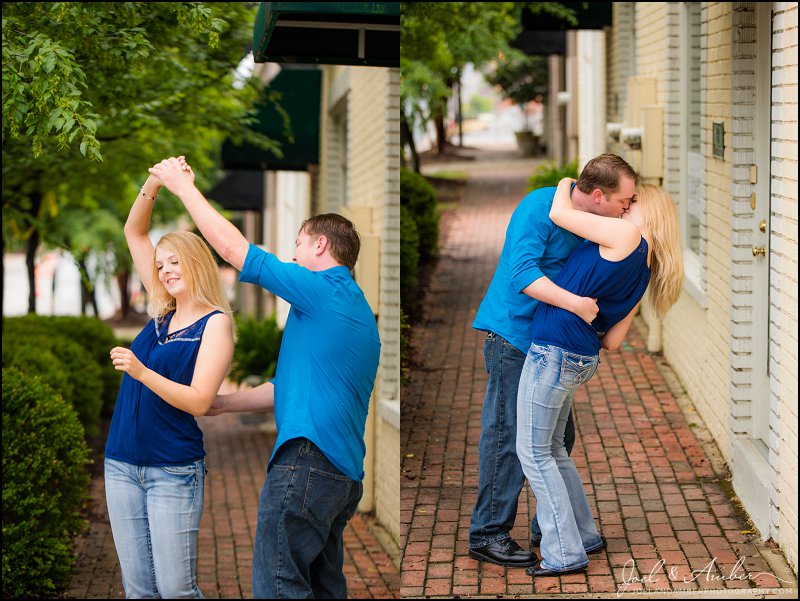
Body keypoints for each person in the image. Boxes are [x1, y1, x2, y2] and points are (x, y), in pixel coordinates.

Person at [148, 156, 381, 599]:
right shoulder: (349, 312)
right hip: (342, 475)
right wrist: (222, 403)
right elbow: (285, 387)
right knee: (322, 588)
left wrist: (183, 188)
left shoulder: (323, 289)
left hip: (307, 462)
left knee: (277, 586)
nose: (291, 254)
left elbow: (238, 252)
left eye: (297, 244)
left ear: (319, 247)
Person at [469, 154, 639, 567]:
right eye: (624, 201)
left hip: (551, 346)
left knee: (558, 442)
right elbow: (522, 274)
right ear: (598, 195)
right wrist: (578, 306)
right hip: (515, 339)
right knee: (510, 437)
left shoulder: (588, 220)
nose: (627, 209)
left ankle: (554, 528)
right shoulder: (539, 207)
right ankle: (489, 533)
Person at [518, 178, 683, 576]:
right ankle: (584, 534)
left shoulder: (626, 234)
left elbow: (559, 212)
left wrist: (565, 181)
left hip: (554, 351)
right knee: (553, 449)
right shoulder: (644, 270)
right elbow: (612, 341)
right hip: (579, 356)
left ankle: (565, 553)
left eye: (633, 202)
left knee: (534, 453)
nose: (625, 207)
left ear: (651, 211)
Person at [104, 164, 236, 598]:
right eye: (160, 265)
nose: (164, 271)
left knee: (177, 591)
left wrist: (143, 372)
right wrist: (155, 182)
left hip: (173, 469)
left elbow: (200, 401)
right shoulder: (161, 309)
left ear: (195, 262)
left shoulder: (215, 325)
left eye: (174, 262)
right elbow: (134, 232)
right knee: (139, 590)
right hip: (121, 463)